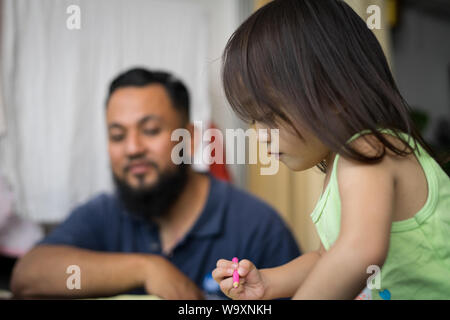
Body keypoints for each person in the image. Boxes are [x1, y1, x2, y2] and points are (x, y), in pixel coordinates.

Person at [212, 0, 450, 300]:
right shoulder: (343, 164)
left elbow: (358, 251)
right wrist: (268, 283)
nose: (260, 136)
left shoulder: (368, 150)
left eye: (269, 117)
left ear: (334, 94)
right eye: (254, 122)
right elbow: (327, 257)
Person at [10, 68, 300, 299]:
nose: (133, 148)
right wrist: (147, 269)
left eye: (150, 130)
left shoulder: (258, 227)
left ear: (189, 138)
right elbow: (28, 275)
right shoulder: (105, 213)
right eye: (118, 135)